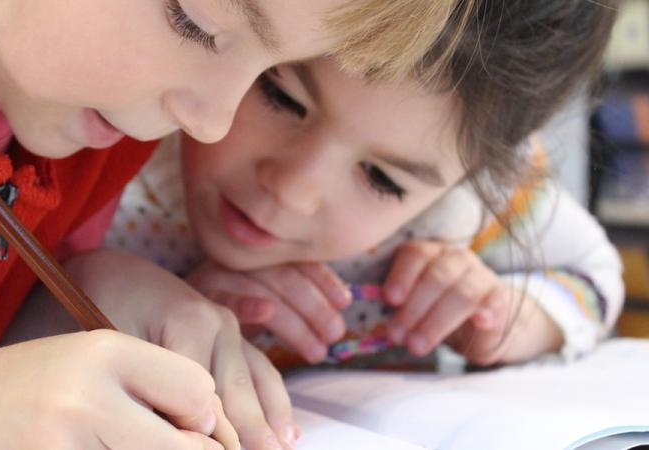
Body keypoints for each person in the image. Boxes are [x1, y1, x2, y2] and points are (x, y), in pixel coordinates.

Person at [0, 0, 472, 449]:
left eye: (265, 76)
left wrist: (73, 310)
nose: (211, 123)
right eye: (195, 22)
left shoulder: (98, 129)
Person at [105, 0, 623, 371]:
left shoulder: (471, 205)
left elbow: (596, 276)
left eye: (381, 179)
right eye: (281, 97)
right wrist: (135, 307)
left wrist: (512, 316)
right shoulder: (120, 141)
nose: (292, 191)